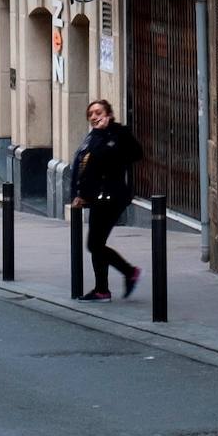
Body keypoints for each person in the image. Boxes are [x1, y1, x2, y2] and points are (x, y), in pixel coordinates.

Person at [69, 99, 143, 302]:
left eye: (98, 112)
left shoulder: (119, 134)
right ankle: (103, 289)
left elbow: (133, 154)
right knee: (96, 243)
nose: (94, 116)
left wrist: (104, 133)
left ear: (109, 114)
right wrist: (79, 194)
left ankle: (127, 273)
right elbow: (83, 166)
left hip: (112, 196)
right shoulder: (93, 136)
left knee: (94, 244)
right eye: (90, 113)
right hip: (97, 198)